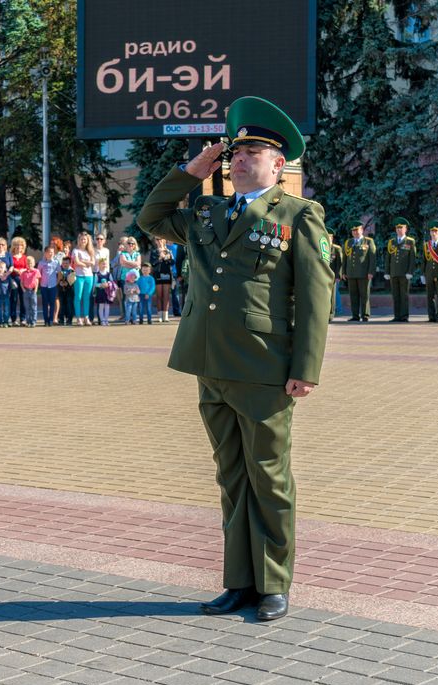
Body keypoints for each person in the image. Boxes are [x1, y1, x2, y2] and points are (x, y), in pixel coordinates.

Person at [136, 95, 330, 622]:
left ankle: (273, 584)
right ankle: (239, 582)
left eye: (252, 153)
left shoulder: (298, 215)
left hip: (265, 367)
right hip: (210, 363)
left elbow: (316, 296)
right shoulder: (208, 210)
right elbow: (151, 218)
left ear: (278, 163)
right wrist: (191, 171)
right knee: (231, 476)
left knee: (268, 477)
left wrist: (305, 369)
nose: (239, 160)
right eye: (235, 153)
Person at [385, 217, 419, 322]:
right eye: (397, 228)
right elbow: (388, 258)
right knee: (395, 295)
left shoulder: (410, 241)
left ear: (405, 229)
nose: (399, 230)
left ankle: (404, 316)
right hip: (394, 272)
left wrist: (410, 272)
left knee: (404, 295)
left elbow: (412, 258)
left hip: (405, 273)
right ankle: (397, 316)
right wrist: (387, 272)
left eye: (401, 228)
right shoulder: (391, 242)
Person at [342, 221, 375, 321]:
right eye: (353, 230)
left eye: (357, 230)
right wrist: (343, 272)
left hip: (364, 274)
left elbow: (372, 258)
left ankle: (365, 315)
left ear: (362, 230)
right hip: (351, 273)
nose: (355, 232)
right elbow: (345, 258)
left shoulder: (368, 241)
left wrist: (371, 271)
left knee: (364, 295)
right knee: (353, 295)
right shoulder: (348, 242)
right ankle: (355, 316)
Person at [70, 232, 95, 325]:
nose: (83, 241)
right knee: (78, 297)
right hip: (79, 276)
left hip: (89, 276)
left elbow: (93, 263)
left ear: (87, 240)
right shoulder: (75, 251)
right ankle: (78, 318)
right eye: (81, 239)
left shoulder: (90, 251)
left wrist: (83, 261)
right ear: (79, 240)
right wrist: (87, 263)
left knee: (86, 297)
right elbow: (76, 262)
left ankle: (86, 317)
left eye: (85, 239)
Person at [115, 236, 141, 323]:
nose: (131, 245)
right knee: (126, 297)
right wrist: (134, 265)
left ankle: (134, 317)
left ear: (135, 245)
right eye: (129, 243)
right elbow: (123, 263)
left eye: (132, 243)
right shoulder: (123, 253)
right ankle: (127, 317)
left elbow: (138, 263)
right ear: (126, 244)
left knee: (135, 296)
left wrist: (128, 263)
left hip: (135, 279)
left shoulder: (137, 254)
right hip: (125, 278)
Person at [422, 222, 438, 322]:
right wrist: (423, 274)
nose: (434, 233)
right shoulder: (426, 245)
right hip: (429, 274)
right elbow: (424, 261)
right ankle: (431, 316)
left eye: (436, 231)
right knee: (430, 296)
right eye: (432, 231)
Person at [149, 237, 175, 323]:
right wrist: (160, 258)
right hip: (158, 275)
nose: (159, 241)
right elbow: (152, 263)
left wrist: (168, 258)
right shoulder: (154, 251)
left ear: (164, 240)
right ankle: (160, 316)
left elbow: (172, 262)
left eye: (161, 239)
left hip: (167, 274)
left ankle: (165, 316)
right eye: (157, 239)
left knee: (166, 296)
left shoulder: (168, 251)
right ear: (155, 241)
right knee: (159, 296)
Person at [37, 246, 60, 326]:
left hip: (53, 286)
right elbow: (38, 273)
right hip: (44, 286)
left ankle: (51, 320)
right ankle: (46, 320)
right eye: (49, 252)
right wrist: (40, 283)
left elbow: (59, 274)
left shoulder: (56, 262)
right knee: (45, 303)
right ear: (45, 253)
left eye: (52, 252)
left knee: (52, 303)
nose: (51, 254)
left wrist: (56, 282)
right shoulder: (41, 263)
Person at [93, 257, 115, 325]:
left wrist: (108, 284)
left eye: (105, 264)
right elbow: (95, 284)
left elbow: (112, 282)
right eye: (102, 264)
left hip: (107, 293)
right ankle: (102, 320)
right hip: (100, 293)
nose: (104, 265)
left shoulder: (109, 274)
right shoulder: (97, 274)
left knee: (107, 306)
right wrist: (100, 285)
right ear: (99, 265)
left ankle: (106, 320)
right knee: (101, 306)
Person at [56, 253, 76, 326]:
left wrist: (67, 283)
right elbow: (57, 279)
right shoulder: (59, 270)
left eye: (66, 263)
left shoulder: (72, 271)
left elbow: (73, 281)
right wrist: (60, 283)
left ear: (70, 263)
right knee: (61, 305)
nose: (65, 264)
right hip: (61, 291)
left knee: (69, 305)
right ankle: (61, 319)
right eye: (63, 263)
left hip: (69, 291)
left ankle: (69, 319)